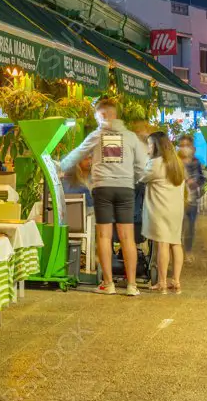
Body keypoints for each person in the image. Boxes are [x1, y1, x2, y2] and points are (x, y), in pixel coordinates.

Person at [60, 97, 148, 296]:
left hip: (103, 189)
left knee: (104, 236)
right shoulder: (131, 137)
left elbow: (77, 154)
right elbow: (143, 166)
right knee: (127, 237)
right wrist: (131, 178)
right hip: (126, 189)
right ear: (116, 115)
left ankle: (109, 283)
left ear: (102, 115)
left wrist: (59, 166)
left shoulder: (97, 135)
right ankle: (132, 285)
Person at [143, 132, 186, 293]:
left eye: (149, 144)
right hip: (176, 209)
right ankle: (175, 280)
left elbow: (141, 178)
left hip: (161, 208)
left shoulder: (155, 163)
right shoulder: (177, 163)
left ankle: (161, 282)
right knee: (176, 243)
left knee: (162, 243)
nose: (148, 147)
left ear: (156, 146)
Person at [177, 135, 205, 260]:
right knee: (178, 228)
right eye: (182, 145)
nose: (184, 148)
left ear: (192, 148)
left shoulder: (196, 162)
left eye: (187, 145)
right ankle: (176, 252)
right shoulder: (176, 162)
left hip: (192, 200)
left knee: (191, 227)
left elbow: (202, 178)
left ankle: (188, 251)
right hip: (178, 200)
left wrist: (195, 182)